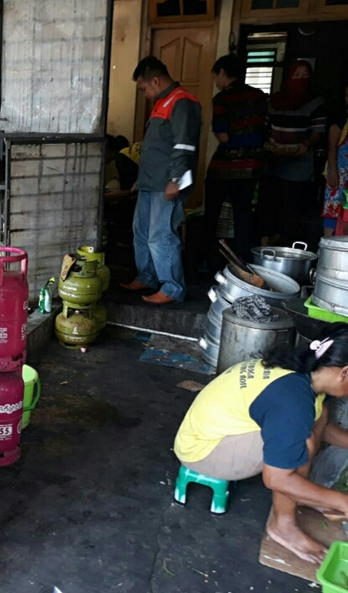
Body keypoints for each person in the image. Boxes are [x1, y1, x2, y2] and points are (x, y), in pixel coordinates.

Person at [174, 324, 348, 565]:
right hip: (204, 450)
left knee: (318, 417)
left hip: (209, 432)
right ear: (345, 372)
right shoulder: (293, 401)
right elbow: (276, 478)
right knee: (302, 442)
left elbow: (320, 424)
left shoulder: (304, 373)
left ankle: (304, 495)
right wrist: (343, 502)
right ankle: (283, 526)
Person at [120, 56, 202, 305]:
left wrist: (175, 180)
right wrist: (140, 180)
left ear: (155, 80)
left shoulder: (182, 101)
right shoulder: (161, 103)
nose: (143, 94)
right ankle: (147, 276)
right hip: (150, 183)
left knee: (161, 235)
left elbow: (184, 145)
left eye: (143, 88)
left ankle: (172, 287)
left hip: (166, 184)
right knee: (141, 232)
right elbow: (156, 148)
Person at [204, 54, 267, 266]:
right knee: (243, 216)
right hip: (251, 166)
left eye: (216, 77)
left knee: (212, 214)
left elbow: (223, 136)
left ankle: (208, 260)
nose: (216, 82)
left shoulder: (222, 99)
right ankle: (242, 263)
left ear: (223, 73)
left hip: (224, 168)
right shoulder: (259, 96)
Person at [259, 60, 325, 246]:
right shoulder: (274, 101)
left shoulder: (316, 102)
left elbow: (317, 133)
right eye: (297, 75)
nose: (301, 79)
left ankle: (281, 247)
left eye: (305, 75)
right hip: (272, 162)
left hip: (299, 166)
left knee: (290, 209)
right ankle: (264, 245)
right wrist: (269, 145)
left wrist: (304, 144)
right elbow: (265, 127)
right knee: (267, 206)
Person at [322, 85, 348, 236]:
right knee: (333, 209)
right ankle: (328, 244)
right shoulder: (340, 118)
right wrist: (333, 171)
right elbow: (332, 146)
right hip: (339, 171)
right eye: (346, 95)